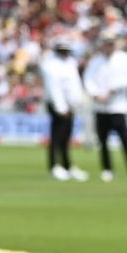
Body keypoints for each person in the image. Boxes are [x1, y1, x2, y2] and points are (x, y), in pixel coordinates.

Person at [83, 36, 127, 181]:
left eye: (111, 44)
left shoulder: (125, 59)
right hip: (100, 107)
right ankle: (107, 169)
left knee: (125, 139)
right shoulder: (96, 61)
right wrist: (96, 94)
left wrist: (114, 89)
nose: (108, 47)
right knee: (103, 140)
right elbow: (88, 80)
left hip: (119, 106)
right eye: (106, 44)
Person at [39, 36, 88, 181]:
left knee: (66, 137)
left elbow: (74, 85)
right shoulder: (50, 64)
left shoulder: (70, 63)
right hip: (57, 105)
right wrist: (61, 108)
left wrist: (75, 103)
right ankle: (54, 166)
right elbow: (54, 88)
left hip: (70, 105)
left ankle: (67, 166)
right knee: (56, 136)